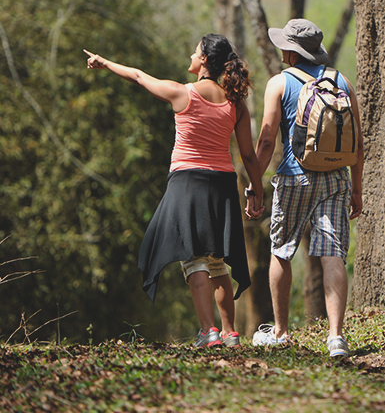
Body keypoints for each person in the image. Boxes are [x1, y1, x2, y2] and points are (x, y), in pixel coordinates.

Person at [84, 34, 265, 348]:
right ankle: (230, 332)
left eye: (195, 52)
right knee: (217, 261)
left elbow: (138, 76)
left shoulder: (183, 93)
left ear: (204, 60)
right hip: (222, 185)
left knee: (193, 259)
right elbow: (249, 156)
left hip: (187, 183)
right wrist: (256, 191)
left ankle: (208, 332)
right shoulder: (236, 104)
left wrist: (104, 63)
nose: (191, 56)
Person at [246, 19, 363, 358]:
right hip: (337, 178)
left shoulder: (279, 83)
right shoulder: (342, 82)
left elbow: (266, 140)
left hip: (294, 178)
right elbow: (357, 143)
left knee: (281, 250)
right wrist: (356, 189)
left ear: (291, 52)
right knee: (333, 252)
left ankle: (281, 332)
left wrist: (255, 185)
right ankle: (336, 337)